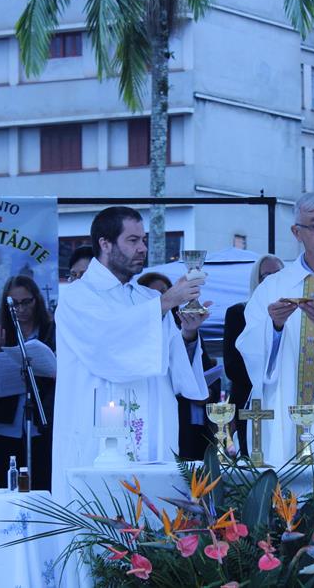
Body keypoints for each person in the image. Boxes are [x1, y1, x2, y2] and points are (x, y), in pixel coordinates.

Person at [52, 207, 209, 496]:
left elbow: (178, 375)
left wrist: (188, 332)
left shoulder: (147, 298)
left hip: (154, 435)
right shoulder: (77, 298)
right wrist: (164, 304)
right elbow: (106, 344)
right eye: (133, 240)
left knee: (156, 522)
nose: (143, 249)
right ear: (105, 243)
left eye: (144, 240)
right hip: (96, 441)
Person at [236, 193, 314, 463]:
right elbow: (248, 348)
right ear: (296, 232)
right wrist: (275, 327)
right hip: (283, 407)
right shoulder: (273, 287)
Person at [0, 275, 55, 491]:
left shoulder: (52, 331)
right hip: (6, 430)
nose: (20, 309)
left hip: (42, 428)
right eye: (14, 303)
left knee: (42, 490)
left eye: (26, 302)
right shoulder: (3, 333)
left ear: (37, 300)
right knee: (9, 492)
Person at [138, 271, 220, 460]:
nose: (164, 298)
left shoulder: (185, 326)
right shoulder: (139, 333)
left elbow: (207, 369)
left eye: (166, 292)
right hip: (163, 416)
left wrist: (207, 392)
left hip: (195, 422)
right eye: (155, 295)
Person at [223, 254, 284, 452]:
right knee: (251, 454)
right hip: (250, 395)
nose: (273, 280)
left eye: (279, 274)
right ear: (256, 281)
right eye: (267, 276)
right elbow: (232, 365)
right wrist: (264, 376)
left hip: (283, 395)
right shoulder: (238, 313)